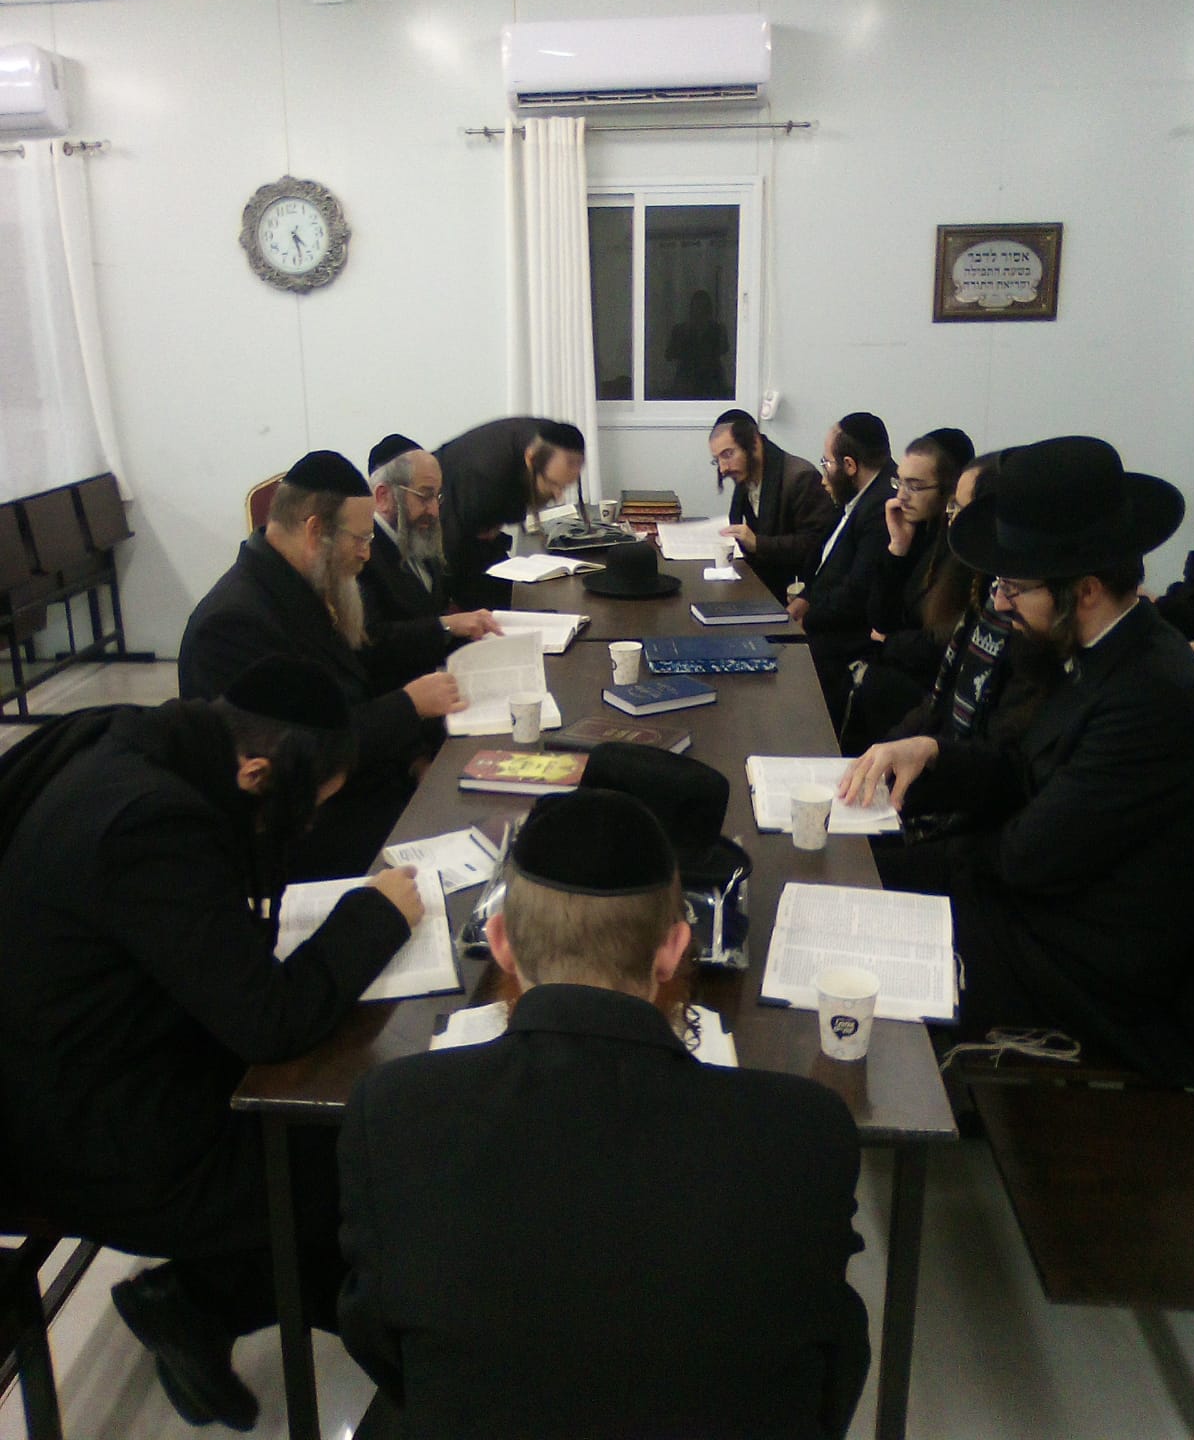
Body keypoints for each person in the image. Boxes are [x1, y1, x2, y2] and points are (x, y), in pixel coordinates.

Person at [338, 789, 870, 1440]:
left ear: (501, 942)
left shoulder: (393, 1112)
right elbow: (832, 1361)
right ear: (674, 947)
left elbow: (380, 1343)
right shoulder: (806, 1131)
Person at [0, 657, 425, 1431]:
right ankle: (403, 1368)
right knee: (357, 1157)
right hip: (85, 1135)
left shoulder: (151, 744)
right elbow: (271, 1021)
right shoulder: (148, 827)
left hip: (101, 1064)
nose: (303, 828)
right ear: (257, 772)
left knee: (346, 1137)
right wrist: (376, 917)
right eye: (305, 807)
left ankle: (209, 1303)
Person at [841, 436, 1194, 1083]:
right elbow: (1020, 771)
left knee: (862, 942)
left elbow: (1032, 857)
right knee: (855, 878)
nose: (1000, 601)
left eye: (1014, 585)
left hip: (1081, 961)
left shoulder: (1151, 694)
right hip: (1033, 897)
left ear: (1083, 590)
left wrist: (926, 859)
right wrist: (933, 754)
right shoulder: (1082, 646)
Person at [178, 450, 465, 878]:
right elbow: (298, 755)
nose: (367, 554)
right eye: (361, 540)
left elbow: (360, 678)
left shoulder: (301, 585)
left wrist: (413, 757)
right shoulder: (233, 624)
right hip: (305, 830)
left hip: (358, 787)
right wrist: (408, 706)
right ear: (315, 530)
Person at [841, 428, 973, 749]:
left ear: (948, 490)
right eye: (899, 482)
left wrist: (889, 643)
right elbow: (879, 618)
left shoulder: (961, 554)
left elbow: (940, 644)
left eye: (914, 486)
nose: (901, 496)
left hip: (931, 686)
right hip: (902, 668)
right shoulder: (917, 532)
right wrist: (897, 548)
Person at [361, 432, 501, 667]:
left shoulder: (419, 537)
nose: (435, 511)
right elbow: (372, 640)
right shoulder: (362, 554)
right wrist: (445, 626)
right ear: (383, 496)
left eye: (437, 497)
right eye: (425, 496)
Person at [788, 411, 894, 712]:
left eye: (827, 463)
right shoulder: (861, 494)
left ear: (849, 465)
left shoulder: (881, 508)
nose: (824, 475)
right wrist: (807, 597)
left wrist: (809, 619)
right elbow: (831, 562)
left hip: (847, 640)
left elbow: (856, 594)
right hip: (825, 619)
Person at [436, 415, 586, 607]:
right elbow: (451, 550)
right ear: (530, 459)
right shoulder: (485, 476)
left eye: (564, 486)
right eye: (553, 484)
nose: (559, 497)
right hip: (445, 530)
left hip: (477, 525)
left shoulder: (550, 438)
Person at [709, 407, 838, 602]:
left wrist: (758, 544)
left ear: (754, 443)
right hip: (759, 584)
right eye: (716, 460)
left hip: (797, 594)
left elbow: (815, 544)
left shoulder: (800, 477)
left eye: (728, 454)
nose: (722, 468)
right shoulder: (746, 473)